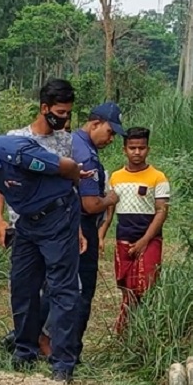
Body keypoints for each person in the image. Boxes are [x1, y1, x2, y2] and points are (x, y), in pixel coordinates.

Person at [0, 134, 91, 383]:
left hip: (57, 216)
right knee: (22, 286)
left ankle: (63, 363)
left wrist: (76, 181)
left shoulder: (17, 153)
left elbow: (64, 166)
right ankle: (25, 351)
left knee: (61, 288)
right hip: (27, 223)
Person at [0, 79, 77, 356]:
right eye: (61, 113)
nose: (64, 119)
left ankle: (45, 340)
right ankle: (25, 344)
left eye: (68, 113)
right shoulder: (17, 138)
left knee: (60, 287)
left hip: (57, 222)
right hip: (22, 224)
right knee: (25, 287)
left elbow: (70, 182)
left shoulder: (65, 141)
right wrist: (0, 220)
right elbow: (0, 183)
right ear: (45, 108)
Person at [69, 103, 123, 360]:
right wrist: (109, 200)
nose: (111, 139)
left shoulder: (71, 142)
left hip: (64, 226)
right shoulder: (86, 155)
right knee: (82, 290)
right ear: (95, 123)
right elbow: (90, 204)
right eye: (110, 132)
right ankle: (71, 349)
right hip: (82, 227)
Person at [103, 127, 170, 333]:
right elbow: (109, 209)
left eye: (141, 148)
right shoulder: (115, 177)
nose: (137, 152)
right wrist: (101, 233)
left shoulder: (158, 177)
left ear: (148, 149)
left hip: (150, 240)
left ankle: (143, 330)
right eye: (132, 148)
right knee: (127, 289)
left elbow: (161, 212)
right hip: (123, 239)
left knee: (146, 287)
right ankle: (128, 332)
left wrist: (144, 241)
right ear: (125, 150)